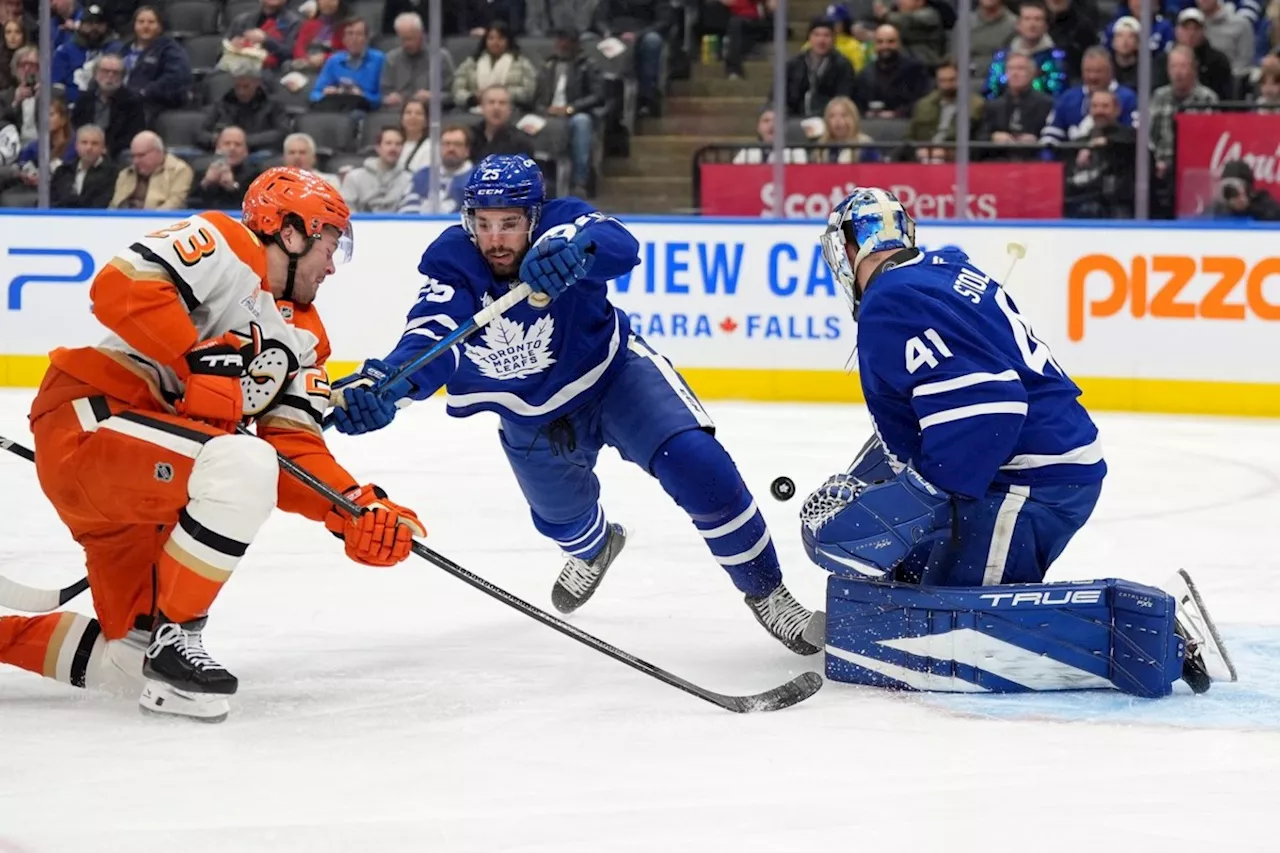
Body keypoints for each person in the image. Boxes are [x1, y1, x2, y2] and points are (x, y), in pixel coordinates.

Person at [328, 155, 820, 655]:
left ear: (535, 217)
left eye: (510, 224)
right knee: (565, 522)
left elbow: (619, 245)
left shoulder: (563, 225)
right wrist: (389, 382)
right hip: (530, 414)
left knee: (699, 464)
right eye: (484, 224)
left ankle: (768, 592)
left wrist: (576, 248)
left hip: (614, 379)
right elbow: (432, 335)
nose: (496, 239)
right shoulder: (453, 262)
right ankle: (596, 548)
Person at [0, 168, 424, 722]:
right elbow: (117, 289)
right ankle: (180, 638)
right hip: (93, 422)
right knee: (244, 462)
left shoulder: (306, 340)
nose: (331, 264)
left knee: (130, 665)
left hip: (155, 486)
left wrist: (352, 508)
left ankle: (112, 645)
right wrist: (193, 356)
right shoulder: (226, 242)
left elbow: (294, 448)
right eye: (328, 243)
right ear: (290, 231)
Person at [803, 186, 1235, 696]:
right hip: (1031, 468)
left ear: (847, 248)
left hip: (1028, 481)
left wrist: (912, 498)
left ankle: (1149, 633)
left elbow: (990, 407)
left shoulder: (892, 299)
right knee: (918, 583)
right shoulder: (936, 272)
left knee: (963, 632)